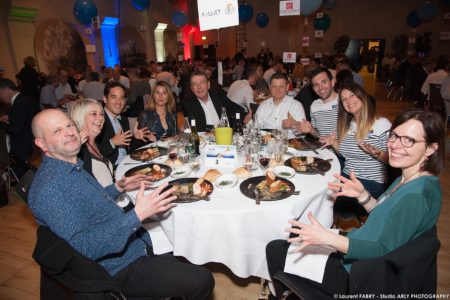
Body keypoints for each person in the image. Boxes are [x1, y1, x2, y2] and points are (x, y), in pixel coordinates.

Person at [28, 109, 215, 299]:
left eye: (69, 125)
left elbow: (91, 203)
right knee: (203, 279)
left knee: (182, 233)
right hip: (118, 268)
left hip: (131, 241)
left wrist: (118, 187)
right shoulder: (51, 189)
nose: (69, 132)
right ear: (41, 143)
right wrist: (137, 216)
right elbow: (86, 248)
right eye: (56, 131)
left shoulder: (68, 166)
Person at [266, 109, 444, 298]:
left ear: (431, 149)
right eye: (394, 136)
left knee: (275, 249)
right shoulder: (411, 178)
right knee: (294, 234)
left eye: (408, 140)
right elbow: (389, 218)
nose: (394, 145)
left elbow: (382, 251)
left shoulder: (416, 196)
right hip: (360, 248)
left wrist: (327, 238)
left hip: (356, 274)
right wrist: (363, 196)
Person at [320, 83, 391, 200]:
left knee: (324, 195)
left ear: (362, 96)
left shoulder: (381, 124)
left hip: (371, 182)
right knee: (320, 185)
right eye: (344, 99)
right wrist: (334, 142)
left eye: (352, 96)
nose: (348, 101)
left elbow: (393, 160)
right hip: (347, 176)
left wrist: (377, 153)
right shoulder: (346, 125)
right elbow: (345, 154)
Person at [96, 82, 152, 167]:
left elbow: (128, 148)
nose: (118, 102)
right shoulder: (98, 120)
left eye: (122, 98)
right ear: (105, 99)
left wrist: (135, 138)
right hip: (111, 168)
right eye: (114, 97)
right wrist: (112, 142)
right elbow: (94, 153)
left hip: (127, 162)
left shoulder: (123, 120)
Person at [181, 70, 248, 132]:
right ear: (192, 89)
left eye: (202, 82)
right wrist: (219, 128)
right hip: (204, 141)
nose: (199, 87)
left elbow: (236, 109)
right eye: (195, 84)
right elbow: (199, 127)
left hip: (225, 136)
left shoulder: (219, 96)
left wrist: (246, 115)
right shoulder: (188, 104)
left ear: (208, 85)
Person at [0, 78, 39, 178]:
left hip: (23, 148)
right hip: (32, 142)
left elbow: (16, 130)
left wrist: (2, 123)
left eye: (0, 93)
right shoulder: (25, 98)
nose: (0, 97)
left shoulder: (19, 103)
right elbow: (25, 117)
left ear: (6, 89)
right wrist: (10, 117)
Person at [294, 67, 339, 138]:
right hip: (321, 148)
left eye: (324, 82)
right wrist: (311, 130)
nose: (320, 87)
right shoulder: (314, 105)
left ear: (332, 82)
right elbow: (318, 136)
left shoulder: (344, 102)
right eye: (316, 85)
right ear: (313, 89)